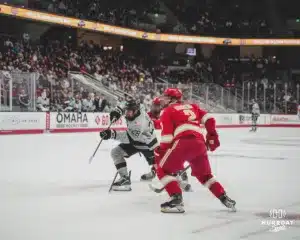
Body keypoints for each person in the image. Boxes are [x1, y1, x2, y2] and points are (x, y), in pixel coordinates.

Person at [154, 88, 236, 213]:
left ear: (172, 99)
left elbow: (167, 138)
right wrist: (212, 136)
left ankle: (176, 200)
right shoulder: (192, 106)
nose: (162, 99)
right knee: (204, 176)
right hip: (199, 144)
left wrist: (161, 152)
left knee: (162, 170)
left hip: (182, 143)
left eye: (165, 97)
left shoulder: (167, 111)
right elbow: (209, 119)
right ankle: (224, 197)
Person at [99, 99, 158, 191]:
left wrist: (112, 134)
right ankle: (125, 178)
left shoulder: (138, 123)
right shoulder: (140, 107)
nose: (126, 113)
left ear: (135, 111)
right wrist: (117, 111)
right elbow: (126, 103)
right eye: (126, 111)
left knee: (159, 163)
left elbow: (128, 137)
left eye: (129, 112)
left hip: (147, 143)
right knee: (116, 152)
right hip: (137, 141)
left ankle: (160, 172)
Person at [148, 97, 192, 192]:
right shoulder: (150, 114)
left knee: (171, 159)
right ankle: (179, 180)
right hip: (162, 140)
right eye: (154, 105)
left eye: (157, 105)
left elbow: (162, 124)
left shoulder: (168, 111)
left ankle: (181, 179)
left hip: (172, 140)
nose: (154, 107)